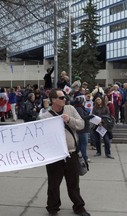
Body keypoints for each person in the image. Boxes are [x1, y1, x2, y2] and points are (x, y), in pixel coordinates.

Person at [39, 88, 90, 216]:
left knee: (73, 183)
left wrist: (69, 120)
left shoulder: (71, 109)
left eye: (64, 97)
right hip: (55, 156)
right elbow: (41, 137)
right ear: (53, 100)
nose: (64, 99)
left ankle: (79, 207)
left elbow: (81, 124)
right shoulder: (44, 117)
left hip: (71, 153)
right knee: (53, 184)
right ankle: (53, 208)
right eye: (61, 98)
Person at [73, 96, 94, 163]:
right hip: (83, 129)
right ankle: (85, 158)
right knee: (83, 144)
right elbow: (82, 117)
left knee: (80, 144)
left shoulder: (80, 108)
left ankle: (77, 157)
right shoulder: (79, 108)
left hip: (83, 129)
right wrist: (90, 116)